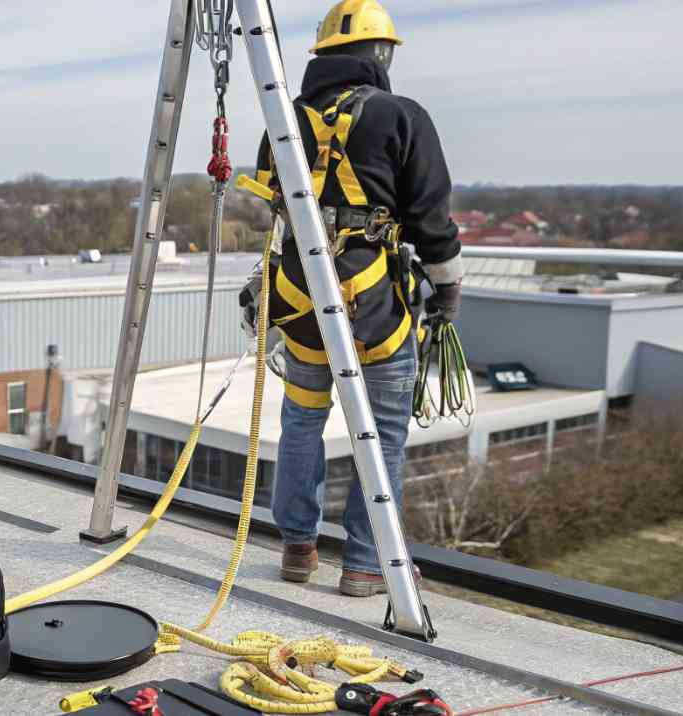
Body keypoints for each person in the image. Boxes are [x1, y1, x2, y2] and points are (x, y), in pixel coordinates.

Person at [239, 0, 462, 597]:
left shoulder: (283, 117)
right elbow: (429, 217)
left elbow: (278, 210)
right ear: (379, 55)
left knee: (303, 423)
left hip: (301, 297)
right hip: (376, 307)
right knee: (382, 433)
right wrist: (449, 289)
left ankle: (296, 547)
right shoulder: (400, 115)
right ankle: (367, 564)